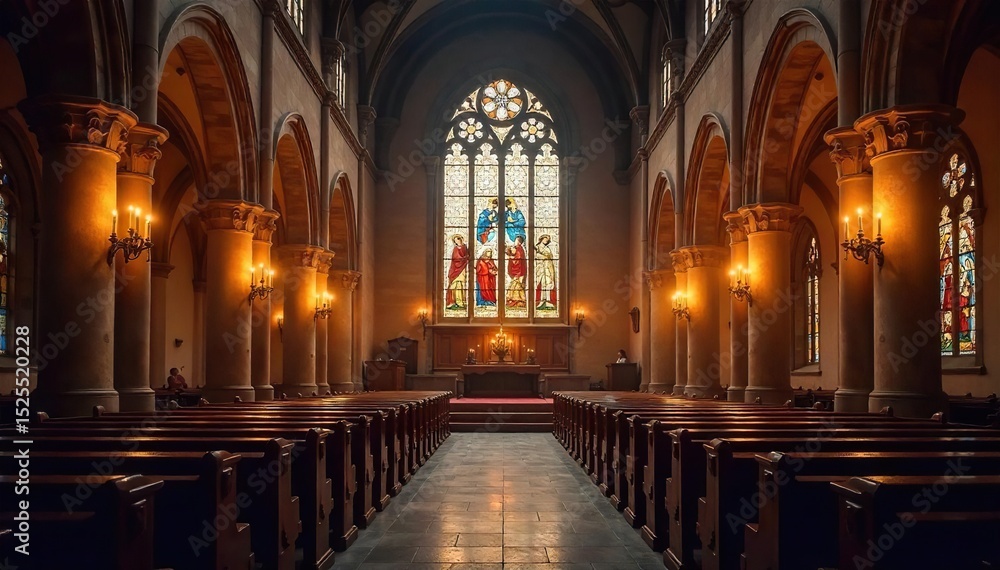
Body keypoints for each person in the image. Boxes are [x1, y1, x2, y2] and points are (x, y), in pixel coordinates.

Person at [446, 234, 470, 309]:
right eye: (456, 240)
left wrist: (464, 258)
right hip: (455, 269)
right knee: (453, 285)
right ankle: (452, 301)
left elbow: (467, 256)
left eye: (458, 239)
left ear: (461, 239)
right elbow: (455, 258)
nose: (457, 241)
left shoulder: (465, 247)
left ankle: (460, 302)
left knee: (460, 285)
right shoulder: (455, 249)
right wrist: (461, 259)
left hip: (462, 268)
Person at [534, 234, 557, 310]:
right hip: (541, 268)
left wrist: (547, 258)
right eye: (545, 239)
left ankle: (548, 300)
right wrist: (543, 256)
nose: (546, 241)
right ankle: (542, 300)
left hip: (548, 267)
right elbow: (536, 255)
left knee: (548, 284)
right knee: (542, 284)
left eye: (547, 240)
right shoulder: (537, 247)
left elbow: (550, 257)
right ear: (541, 239)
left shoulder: (547, 248)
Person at [506, 235, 527, 308]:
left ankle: (518, 300)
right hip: (517, 271)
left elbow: (518, 259)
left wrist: (511, 258)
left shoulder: (519, 249)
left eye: (516, 240)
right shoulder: (518, 248)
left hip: (519, 271)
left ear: (519, 242)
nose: (515, 242)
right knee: (514, 285)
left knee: (516, 286)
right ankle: (515, 300)